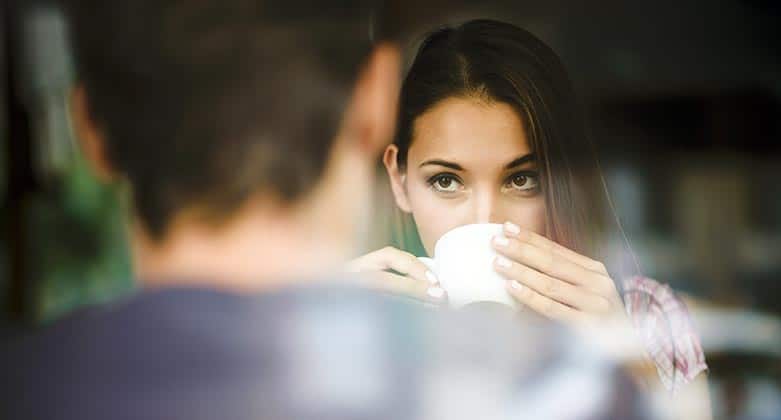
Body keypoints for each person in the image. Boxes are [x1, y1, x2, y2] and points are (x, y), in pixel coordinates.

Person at [0, 2, 654, 420]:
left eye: (523, 177)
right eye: (446, 180)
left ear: (88, 130)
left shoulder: (23, 389)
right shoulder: (559, 394)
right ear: (374, 101)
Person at [348, 19, 710, 416]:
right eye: (446, 181)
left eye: (521, 179)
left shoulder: (646, 319)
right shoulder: (362, 329)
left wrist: (624, 362)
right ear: (399, 182)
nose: (483, 219)